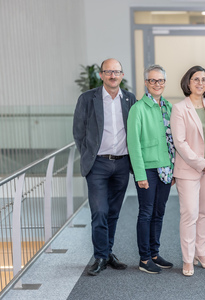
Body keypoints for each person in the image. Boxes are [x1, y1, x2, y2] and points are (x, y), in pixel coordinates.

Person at [73, 58, 136, 276]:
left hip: (121, 164)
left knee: (114, 212)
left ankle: (108, 252)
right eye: (108, 71)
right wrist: (89, 155)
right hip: (98, 164)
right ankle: (100, 256)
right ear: (101, 75)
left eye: (116, 71)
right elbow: (78, 132)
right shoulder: (87, 99)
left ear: (122, 75)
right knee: (99, 211)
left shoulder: (129, 99)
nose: (112, 75)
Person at [170, 66, 205, 277]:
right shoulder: (179, 108)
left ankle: (200, 253)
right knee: (190, 214)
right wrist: (201, 162)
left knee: (204, 213)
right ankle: (187, 258)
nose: (200, 83)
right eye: (196, 79)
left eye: (204, 79)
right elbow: (180, 143)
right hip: (188, 170)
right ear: (188, 83)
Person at [127, 64, 175, 274]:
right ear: (146, 83)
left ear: (165, 82)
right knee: (146, 213)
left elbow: (173, 139)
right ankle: (144, 258)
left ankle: (154, 253)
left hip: (166, 168)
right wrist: (139, 174)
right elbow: (133, 144)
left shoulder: (168, 106)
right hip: (147, 169)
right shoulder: (138, 109)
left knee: (159, 212)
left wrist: (174, 169)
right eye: (153, 80)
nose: (157, 84)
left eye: (161, 80)